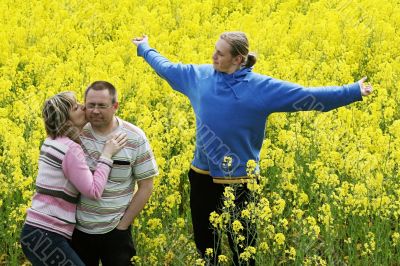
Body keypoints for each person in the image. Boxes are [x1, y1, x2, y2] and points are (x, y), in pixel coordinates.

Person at [132, 31, 373, 265]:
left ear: (238, 59)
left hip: (242, 180)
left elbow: (306, 95)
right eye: (215, 50)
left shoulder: (261, 88)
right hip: (202, 176)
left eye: (220, 53)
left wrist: (352, 91)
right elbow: (166, 67)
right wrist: (145, 48)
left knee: (244, 249)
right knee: (205, 245)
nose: (213, 56)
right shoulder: (199, 77)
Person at [20, 91, 127, 266]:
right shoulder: (69, 149)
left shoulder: (51, 141)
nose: (83, 107)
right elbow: (94, 191)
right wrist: (107, 154)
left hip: (36, 233)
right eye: (76, 107)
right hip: (46, 234)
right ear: (66, 120)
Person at [71, 81, 159, 266]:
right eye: (90, 105)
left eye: (102, 106)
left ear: (115, 106)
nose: (95, 111)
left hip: (115, 229)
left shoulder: (135, 137)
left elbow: (146, 186)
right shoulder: (75, 133)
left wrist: (123, 225)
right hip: (77, 229)